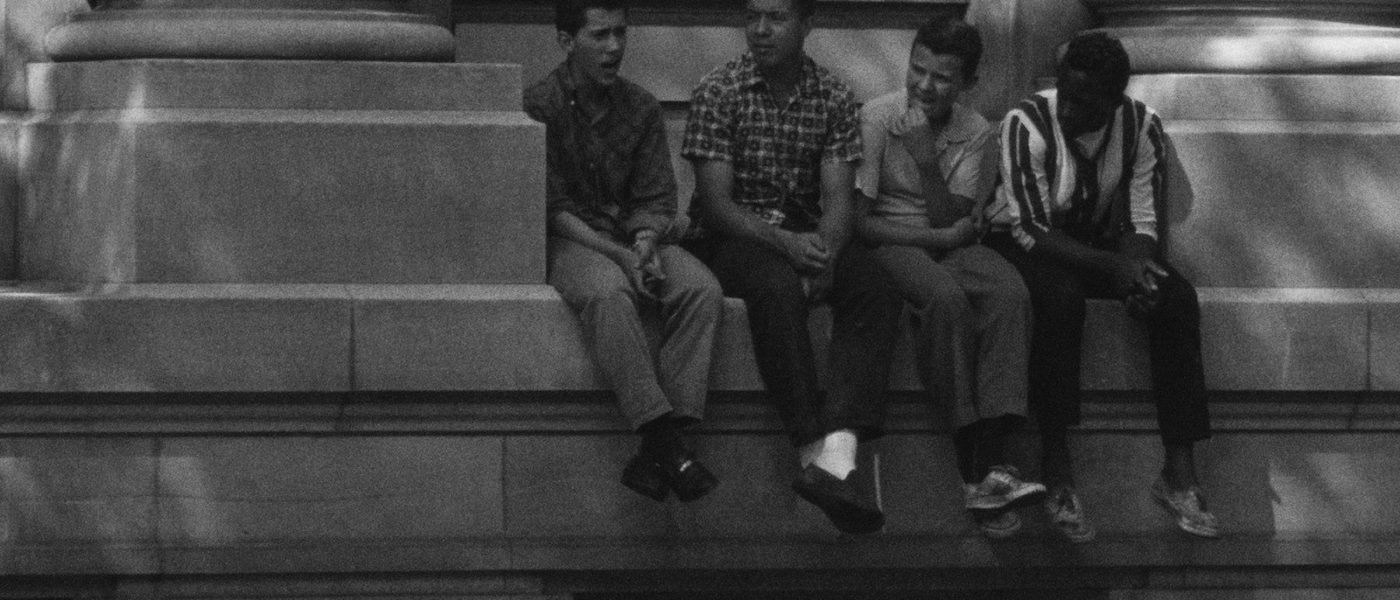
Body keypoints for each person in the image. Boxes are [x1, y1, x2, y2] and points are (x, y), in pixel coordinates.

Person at [984, 31, 1219, 540]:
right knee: (1059, 299)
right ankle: (1056, 464)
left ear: (1113, 101)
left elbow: (1141, 220)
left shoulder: (1140, 126)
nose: (1068, 109)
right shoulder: (1026, 122)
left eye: (1084, 102)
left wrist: (1137, 271)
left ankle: (1179, 469)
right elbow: (1030, 228)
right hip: (1025, 245)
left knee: (1174, 297)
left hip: (1095, 245)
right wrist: (1116, 268)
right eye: (1065, 94)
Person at [681, 0, 904, 535]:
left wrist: (824, 254)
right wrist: (788, 246)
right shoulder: (719, 90)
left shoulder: (832, 95)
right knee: (776, 287)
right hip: (735, 236)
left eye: (776, 18)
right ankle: (810, 449)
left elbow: (839, 199)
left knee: (875, 286)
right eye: (752, 16)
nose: (760, 29)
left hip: (808, 231)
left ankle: (839, 458)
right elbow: (716, 205)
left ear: (807, 25)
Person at [852, 16, 1046, 540]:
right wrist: (939, 234)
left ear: (967, 83)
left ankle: (996, 454)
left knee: (1009, 292)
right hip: (892, 240)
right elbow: (861, 224)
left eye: (941, 77)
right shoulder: (877, 117)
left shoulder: (975, 130)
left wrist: (926, 162)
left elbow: (948, 217)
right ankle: (970, 458)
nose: (924, 85)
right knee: (945, 299)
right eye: (917, 70)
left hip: (949, 238)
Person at [524, 0, 723, 503]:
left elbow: (656, 196)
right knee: (609, 294)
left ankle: (660, 450)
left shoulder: (641, 106)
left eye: (620, 33)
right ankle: (664, 440)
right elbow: (551, 208)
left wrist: (645, 241)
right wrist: (618, 256)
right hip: (575, 240)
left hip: (633, 237)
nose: (614, 47)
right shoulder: (540, 106)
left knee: (700, 289)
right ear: (566, 41)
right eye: (599, 35)